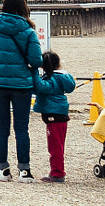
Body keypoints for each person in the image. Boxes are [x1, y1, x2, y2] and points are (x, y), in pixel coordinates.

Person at [0, 0, 43, 180]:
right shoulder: (28, 31)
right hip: (21, 83)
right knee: (21, 128)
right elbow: (36, 60)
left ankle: (2, 169)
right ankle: (24, 169)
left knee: (1, 127)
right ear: (23, 8)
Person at [32, 50, 76, 182]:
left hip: (53, 114)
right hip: (60, 112)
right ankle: (57, 171)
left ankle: (58, 172)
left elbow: (41, 88)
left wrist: (34, 73)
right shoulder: (63, 76)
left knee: (55, 145)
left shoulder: (50, 79)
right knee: (59, 143)